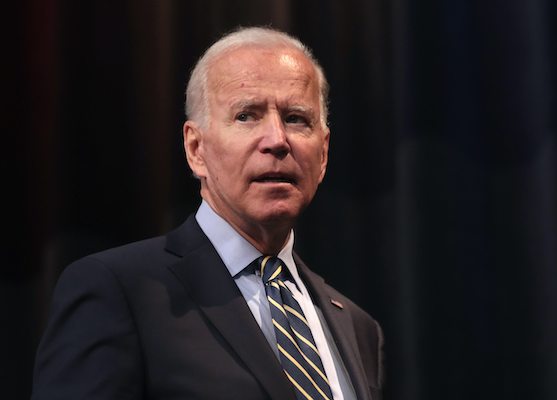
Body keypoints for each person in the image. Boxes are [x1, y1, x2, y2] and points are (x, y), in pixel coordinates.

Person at [31, 26, 384, 400]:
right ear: (196, 148)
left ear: (324, 152)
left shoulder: (358, 327)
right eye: (247, 116)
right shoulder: (119, 291)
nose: (278, 140)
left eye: (296, 118)